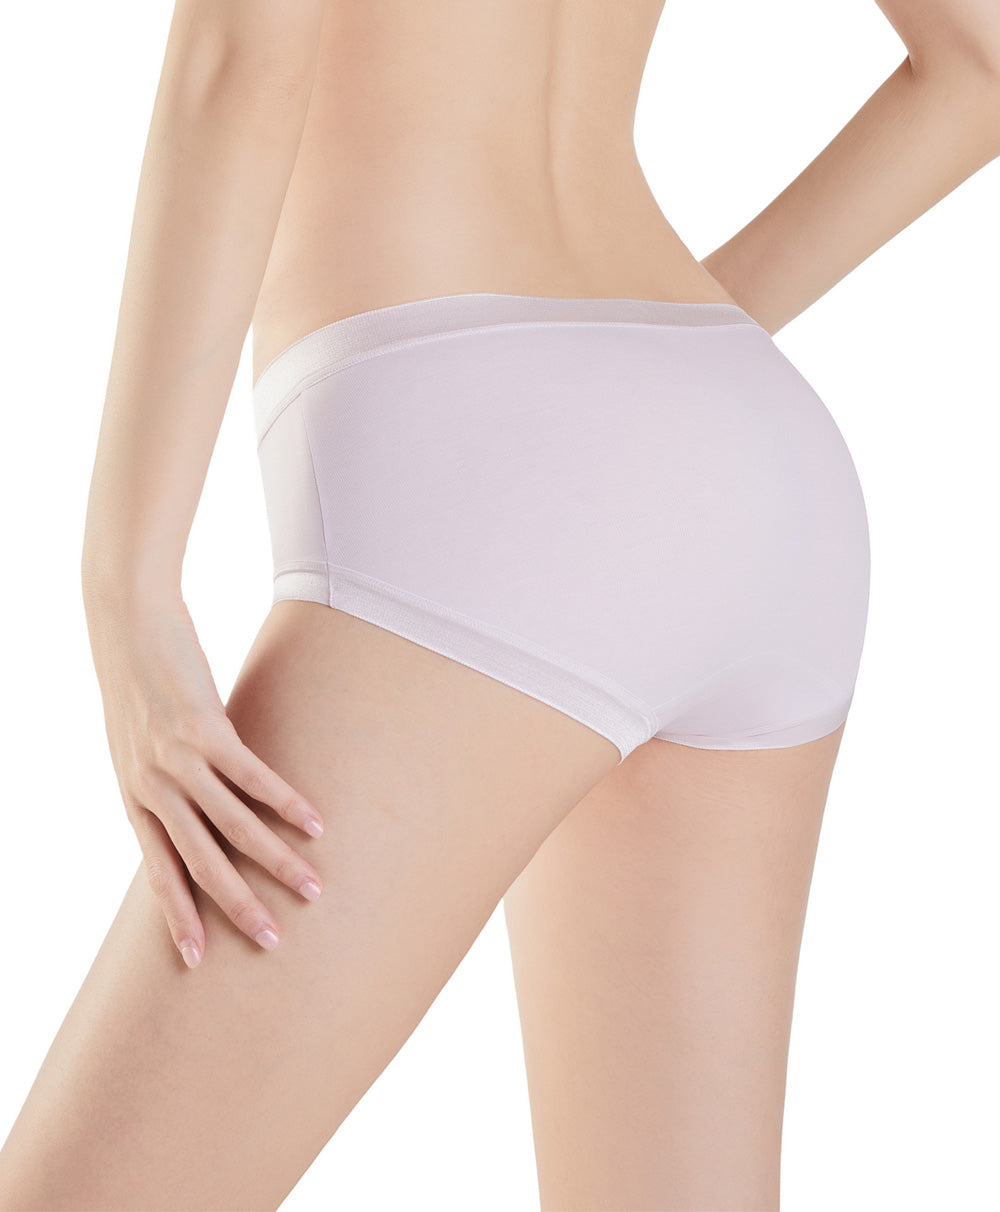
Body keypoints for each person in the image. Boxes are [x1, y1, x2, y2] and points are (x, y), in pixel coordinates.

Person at [1, 1, 998, 1209]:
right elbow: (979, 61)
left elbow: (240, 57)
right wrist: (658, 380)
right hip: (747, 450)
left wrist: (127, 585)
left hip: (468, 449)